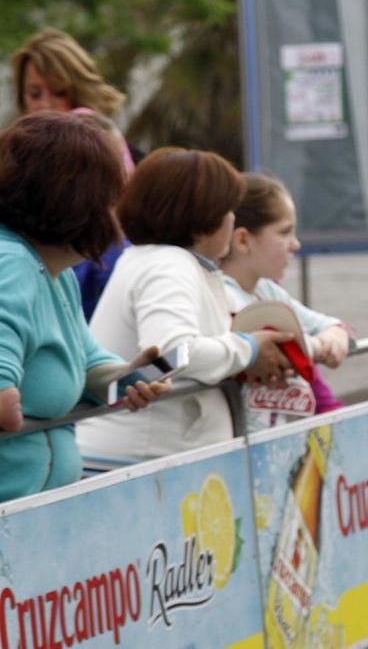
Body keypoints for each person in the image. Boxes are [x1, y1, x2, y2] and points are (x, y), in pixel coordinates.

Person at [78, 148, 295, 463]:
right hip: (137, 463)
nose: (233, 220)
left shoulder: (165, 262)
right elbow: (174, 352)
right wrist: (248, 348)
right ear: (203, 218)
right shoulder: (167, 265)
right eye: (228, 210)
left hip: (147, 460)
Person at [0, 113, 169, 502]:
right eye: (114, 197)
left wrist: (128, 376)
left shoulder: (56, 274)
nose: (122, 213)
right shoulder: (14, 266)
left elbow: (86, 359)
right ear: (78, 202)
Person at [10, 28, 139, 320]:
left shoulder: (90, 130)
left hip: (90, 264)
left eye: (59, 93)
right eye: (34, 93)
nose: (45, 104)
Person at [221, 173, 355, 428]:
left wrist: (336, 333)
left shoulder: (266, 290)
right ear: (242, 240)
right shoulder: (222, 295)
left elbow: (326, 324)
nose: (295, 244)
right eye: (284, 232)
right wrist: (318, 345)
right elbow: (286, 347)